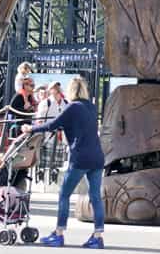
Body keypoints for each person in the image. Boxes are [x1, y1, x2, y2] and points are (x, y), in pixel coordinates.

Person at [22, 74, 104, 248]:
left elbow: (52, 125)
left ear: (71, 90)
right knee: (96, 197)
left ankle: (58, 234)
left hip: (80, 158)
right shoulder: (91, 107)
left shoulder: (72, 107)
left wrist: (31, 129)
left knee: (64, 195)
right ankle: (97, 236)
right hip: (97, 157)